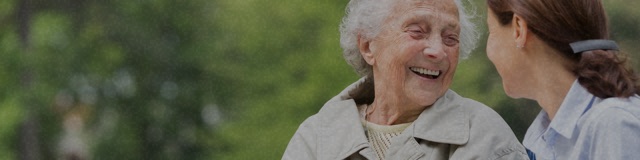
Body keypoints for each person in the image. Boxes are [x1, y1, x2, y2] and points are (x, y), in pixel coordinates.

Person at [283, 0, 528, 159]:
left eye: (450, 38)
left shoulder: (483, 133)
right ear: (368, 46)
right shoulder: (316, 137)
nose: (438, 50)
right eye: (417, 32)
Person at [485, 0, 640, 159]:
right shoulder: (540, 140)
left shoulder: (614, 125)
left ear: (518, 29)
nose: (488, 52)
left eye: (491, 31)